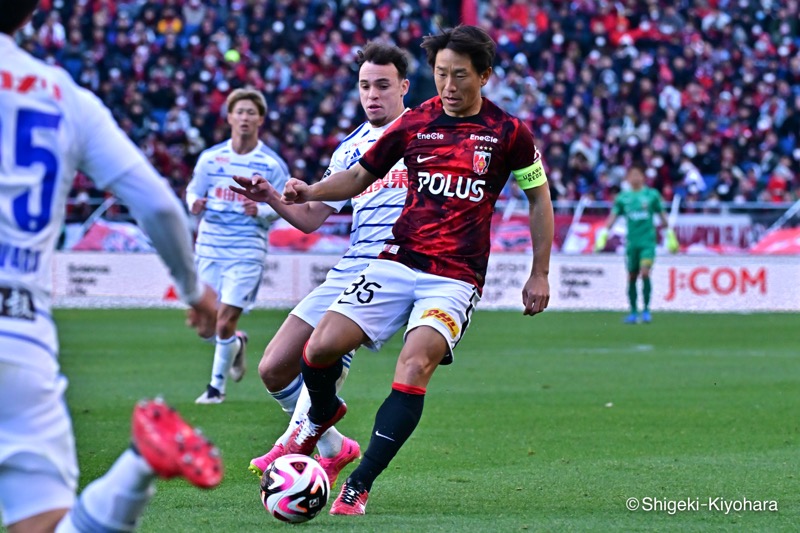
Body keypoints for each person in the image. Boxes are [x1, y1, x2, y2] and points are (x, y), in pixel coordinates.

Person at [241, 25, 554, 516]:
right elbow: (358, 177)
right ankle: (323, 415)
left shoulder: (510, 133)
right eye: (441, 75)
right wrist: (308, 192)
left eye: (459, 76)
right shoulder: (414, 126)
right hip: (398, 259)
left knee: (413, 367)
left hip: (455, 275)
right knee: (319, 347)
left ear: (485, 76)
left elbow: (538, 198)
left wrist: (539, 273)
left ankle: (358, 484)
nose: (448, 86)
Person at [0, 2, 222, 532]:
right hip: (21, 333)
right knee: (45, 523)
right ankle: (135, 469)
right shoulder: (65, 95)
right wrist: (194, 290)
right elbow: (160, 207)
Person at [231, 41, 411, 488]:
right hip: (351, 264)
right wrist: (272, 197)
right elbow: (311, 219)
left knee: (327, 349)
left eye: (383, 86)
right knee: (273, 368)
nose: (373, 95)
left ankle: (296, 438)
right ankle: (334, 445)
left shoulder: (424, 134)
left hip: (395, 265)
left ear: (404, 87)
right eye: (365, 86)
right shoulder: (349, 148)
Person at [186, 88, 290, 404]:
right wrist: (194, 203)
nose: (244, 117)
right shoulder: (211, 158)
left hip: (246, 248)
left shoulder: (270, 163)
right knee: (203, 326)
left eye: (250, 112)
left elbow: (285, 205)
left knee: (225, 319)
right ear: (229, 117)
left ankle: (215, 390)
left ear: (260, 119)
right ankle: (236, 344)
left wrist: (260, 210)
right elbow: (192, 191)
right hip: (210, 246)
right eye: (239, 112)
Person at [594, 165, 678, 323]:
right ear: (628, 178)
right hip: (632, 244)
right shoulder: (623, 198)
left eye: (638, 174)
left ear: (643, 177)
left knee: (645, 272)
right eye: (632, 175)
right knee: (631, 276)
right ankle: (633, 311)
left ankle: (646, 310)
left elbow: (661, 215)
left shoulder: (651, 195)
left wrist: (670, 235)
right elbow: (613, 217)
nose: (635, 178)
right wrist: (604, 234)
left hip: (647, 243)